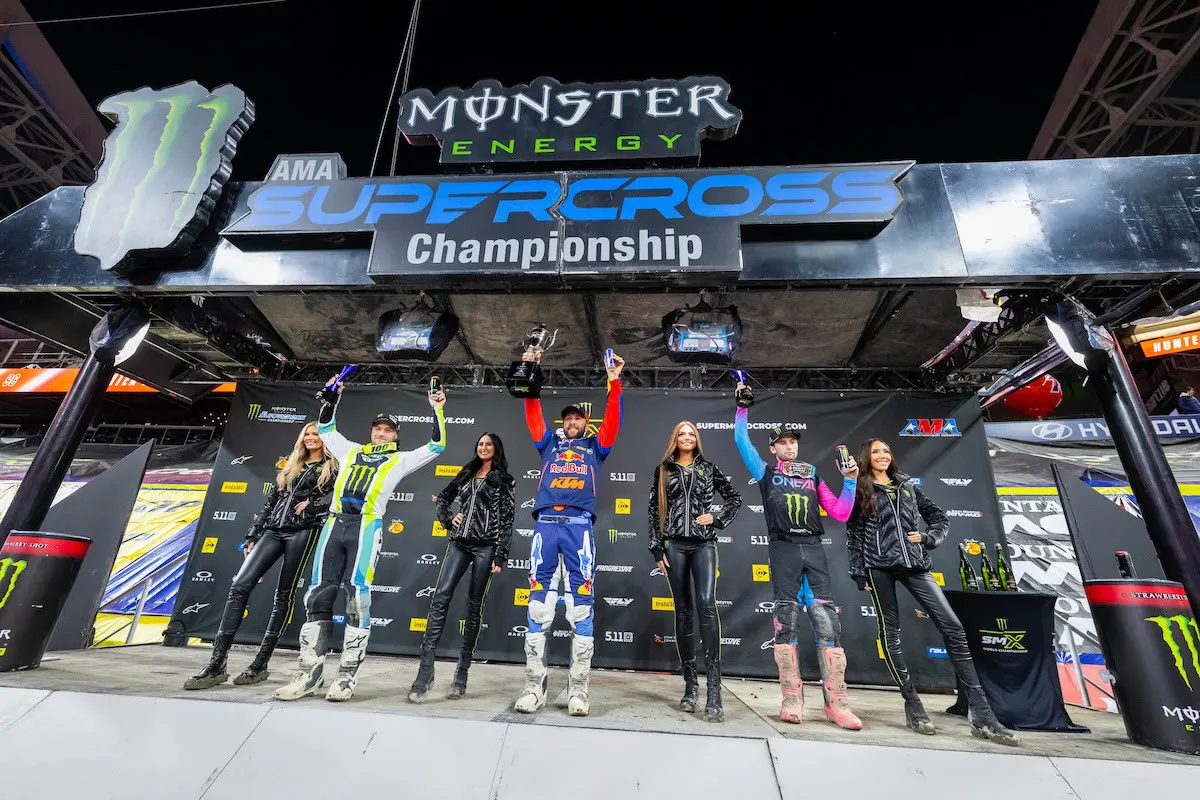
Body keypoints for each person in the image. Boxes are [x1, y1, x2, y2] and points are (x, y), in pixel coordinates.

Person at [273, 377, 448, 703]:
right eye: (377, 428)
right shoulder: (351, 449)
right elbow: (326, 428)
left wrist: (437, 411)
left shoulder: (401, 459)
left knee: (357, 597)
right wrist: (331, 399)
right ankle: (308, 675)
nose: (381, 433)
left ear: (396, 435)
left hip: (366, 527)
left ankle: (346, 678)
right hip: (335, 523)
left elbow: (436, 446)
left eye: (388, 430)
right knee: (318, 594)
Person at [846, 438, 1020, 746]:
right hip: (878, 567)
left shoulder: (907, 485)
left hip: (916, 565)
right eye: (875, 452)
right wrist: (859, 572)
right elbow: (855, 533)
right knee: (891, 632)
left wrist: (927, 538)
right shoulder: (860, 488)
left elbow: (939, 517)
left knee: (953, 627)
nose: (883, 455)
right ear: (865, 458)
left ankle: (982, 714)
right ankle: (912, 703)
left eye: (886, 450)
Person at [732, 381, 862, 730]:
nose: (789, 446)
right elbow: (741, 442)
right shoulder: (766, 472)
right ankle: (792, 697)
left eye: (793, 441)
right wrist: (742, 408)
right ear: (773, 448)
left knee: (827, 624)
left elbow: (839, 513)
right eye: (782, 442)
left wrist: (850, 481)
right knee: (786, 623)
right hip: (784, 549)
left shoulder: (813, 473)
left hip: (814, 550)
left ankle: (838, 702)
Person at [513, 348, 626, 716]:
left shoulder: (597, 447)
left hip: (579, 528)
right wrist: (531, 369)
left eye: (578, 418)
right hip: (546, 526)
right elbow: (532, 411)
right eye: (568, 418)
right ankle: (534, 687)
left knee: (581, 608)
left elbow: (613, 419)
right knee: (537, 604)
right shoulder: (548, 444)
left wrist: (614, 383)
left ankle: (578, 690)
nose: (572, 422)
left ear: (586, 423)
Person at [184, 422, 338, 690]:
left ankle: (260, 665)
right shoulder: (291, 465)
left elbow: (338, 499)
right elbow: (270, 504)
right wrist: (253, 535)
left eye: (316, 435)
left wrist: (313, 505)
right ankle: (216, 664)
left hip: (303, 531)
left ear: (324, 440)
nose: (311, 438)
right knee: (239, 586)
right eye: (308, 435)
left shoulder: (333, 468)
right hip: (273, 531)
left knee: (283, 595)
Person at [408, 432, 516, 703]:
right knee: (440, 598)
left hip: (486, 546)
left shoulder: (504, 480)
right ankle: (425, 673)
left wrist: (500, 556)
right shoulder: (466, 473)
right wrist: (447, 519)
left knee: (473, 607)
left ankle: (461, 674)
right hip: (459, 544)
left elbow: (507, 521)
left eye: (488, 444)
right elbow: (443, 499)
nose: (483, 447)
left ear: (496, 449)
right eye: (480, 443)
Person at [647, 420, 742, 722]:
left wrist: (716, 519)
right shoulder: (663, 469)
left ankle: (714, 691)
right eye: (681, 434)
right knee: (683, 611)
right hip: (674, 545)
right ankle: (690, 686)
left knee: (707, 606)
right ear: (674, 439)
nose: (686, 437)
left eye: (691, 434)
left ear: (696, 440)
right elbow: (653, 510)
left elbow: (735, 499)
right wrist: (656, 548)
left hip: (703, 545)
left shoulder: (708, 468)